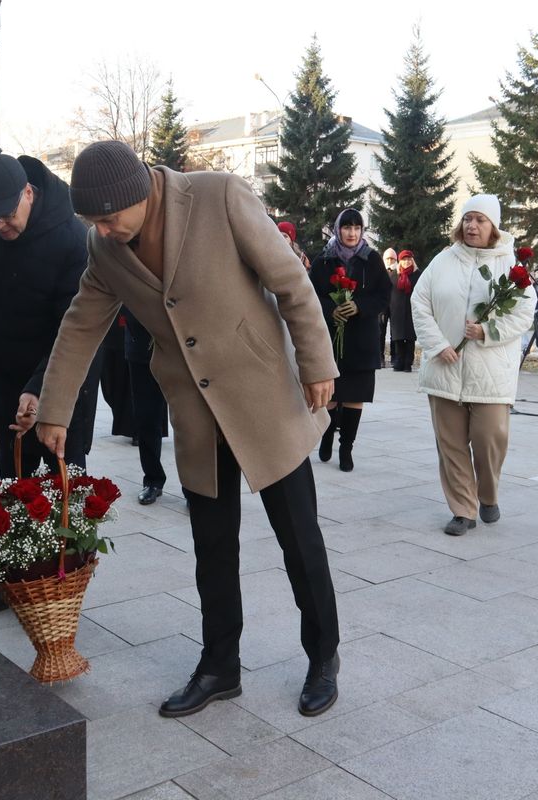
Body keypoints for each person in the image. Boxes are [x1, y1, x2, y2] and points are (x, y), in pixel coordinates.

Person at [33, 141, 342, 718]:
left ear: (141, 192)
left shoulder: (218, 196)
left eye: (108, 217)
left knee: (299, 539)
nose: (102, 230)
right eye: (93, 221)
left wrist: (318, 362)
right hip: (197, 410)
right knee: (212, 547)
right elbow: (80, 326)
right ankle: (220, 667)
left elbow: (290, 283)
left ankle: (323, 656)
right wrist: (55, 409)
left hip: (264, 396)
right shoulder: (105, 249)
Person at [0, 152, 102, 616]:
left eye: (6, 215)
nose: (0, 226)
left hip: (61, 378)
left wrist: (40, 388)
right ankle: (13, 581)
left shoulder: (71, 238)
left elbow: (71, 330)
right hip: (6, 371)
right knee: (14, 477)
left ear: (28, 193)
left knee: (61, 483)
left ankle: (61, 585)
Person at [411, 195, 536, 536]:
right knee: (450, 444)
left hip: (491, 371)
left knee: (490, 437)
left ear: (493, 226)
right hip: (444, 367)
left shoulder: (509, 265)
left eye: (480, 220)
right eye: (468, 219)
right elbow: (419, 302)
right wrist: (438, 345)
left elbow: (523, 313)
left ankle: (488, 494)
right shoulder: (443, 260)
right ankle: (462, 510)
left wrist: (487, 331)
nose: (472, 225)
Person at [310, 209, 392, 472]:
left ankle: (347, 448)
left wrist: (359, 306)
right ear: (338, 229)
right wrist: (330, 309)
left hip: (362, 340)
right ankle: (326, 436)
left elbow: (384, 295)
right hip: (332, 339)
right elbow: (309, 295)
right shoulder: (324, 260)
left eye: (357, 228)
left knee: (356, 395)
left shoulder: (372, 259)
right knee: (331, 396)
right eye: (347, 227)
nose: (352, 233)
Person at [124, 309, 169, 504]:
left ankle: (192, 487)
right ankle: (152, 480)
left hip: (182, 348)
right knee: (146, 417)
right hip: (141, 345)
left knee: (190, 422)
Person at [390, 249, 422, 372]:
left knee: (410, 337)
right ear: (400, 261)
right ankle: (399, 361)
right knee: (398, 337)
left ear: (412, 260)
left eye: (409, 259)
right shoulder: (394, 275)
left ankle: (408, 363)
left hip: (412, 309)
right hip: (397, 310)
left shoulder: (418, 274)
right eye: (404, 260)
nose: (407, 262)